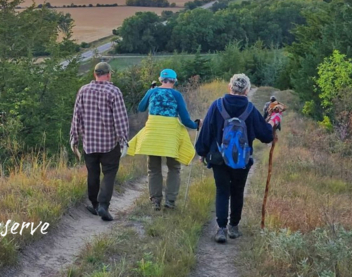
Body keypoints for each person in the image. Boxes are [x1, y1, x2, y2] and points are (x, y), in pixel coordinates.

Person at [195, 74, 278, 243]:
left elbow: (206, 133)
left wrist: (201, 153)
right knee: (237, 191)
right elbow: (266, 136)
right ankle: (234, 227)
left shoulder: (216, 106)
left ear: (229, 87)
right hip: (242, 160)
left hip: (218, 158)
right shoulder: (251, 109)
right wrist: (272, 123)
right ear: (247, 90)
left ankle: (221, 229)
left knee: (222, 191)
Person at [127, 69, 200, 211]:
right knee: (174, 168)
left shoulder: (152, 92)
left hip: (153, 134)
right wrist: (196, 124)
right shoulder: (176, 95)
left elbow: (141, 108)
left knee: (154, 169)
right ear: (174, 81)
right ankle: (170, 201)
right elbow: (185, 120)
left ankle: (155, 201)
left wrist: (150, 91)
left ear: (161, 80)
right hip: (170, 135)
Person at [70, 61, 129, 222]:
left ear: (94, 74)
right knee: (109, 173)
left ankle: (95, 204)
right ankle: (103, 205)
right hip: (109, 143)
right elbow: (120, 119)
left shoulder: (83, 90)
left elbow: (77, 117)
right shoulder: (114, 91)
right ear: (109, 74)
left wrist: (74, 139)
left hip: (89, 142)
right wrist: (123, 141)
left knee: (93, 173)